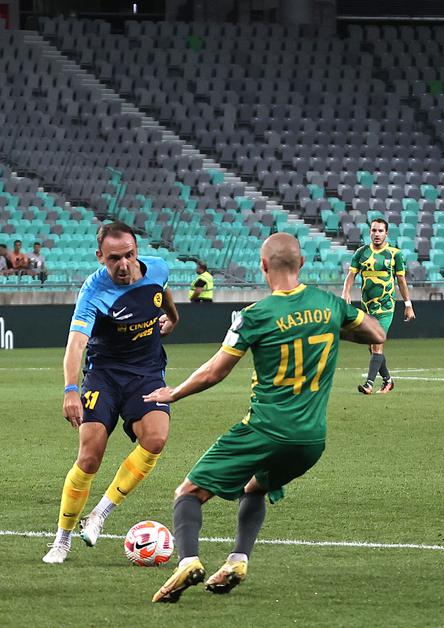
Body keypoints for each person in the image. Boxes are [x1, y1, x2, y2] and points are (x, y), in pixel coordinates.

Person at [145, 233, 384, 603]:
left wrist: (173, 392)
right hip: (311, 440)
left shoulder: (254, 315)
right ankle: (237, 561)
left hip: (264, 430)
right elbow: (376, 332)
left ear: (263, 266)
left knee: (188, 493)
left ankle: (188, 561)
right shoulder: (329, 304)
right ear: (301, 263)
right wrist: (327, 326)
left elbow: (215, 371)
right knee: (254, 487)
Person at [42, 221, 180, 564]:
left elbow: (163, 293)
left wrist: (173, 318)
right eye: (114, 258)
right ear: (100, 257)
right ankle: (61, 540)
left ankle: (100, 513)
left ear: (137, 251)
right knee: (90, 455)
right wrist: (70, 390)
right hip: (104, 375)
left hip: (147, 373)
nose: (123, 264)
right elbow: (76, 344)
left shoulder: (157, 268)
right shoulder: (93, 291)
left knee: (156, 439)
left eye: (129, 255)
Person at [342, 218, 415, 394]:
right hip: (367, 307)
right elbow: (351, 275)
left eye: (380, 231)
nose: (377, 234)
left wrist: (408, 305)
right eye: (374, 230)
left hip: (385, 307)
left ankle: (368, 384)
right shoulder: (361, 253)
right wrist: (346, 292)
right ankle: (388, 380)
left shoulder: (395, 254)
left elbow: (401, 280)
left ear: (386, 233)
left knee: (376, 343)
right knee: (371, 345)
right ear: (370, 232)